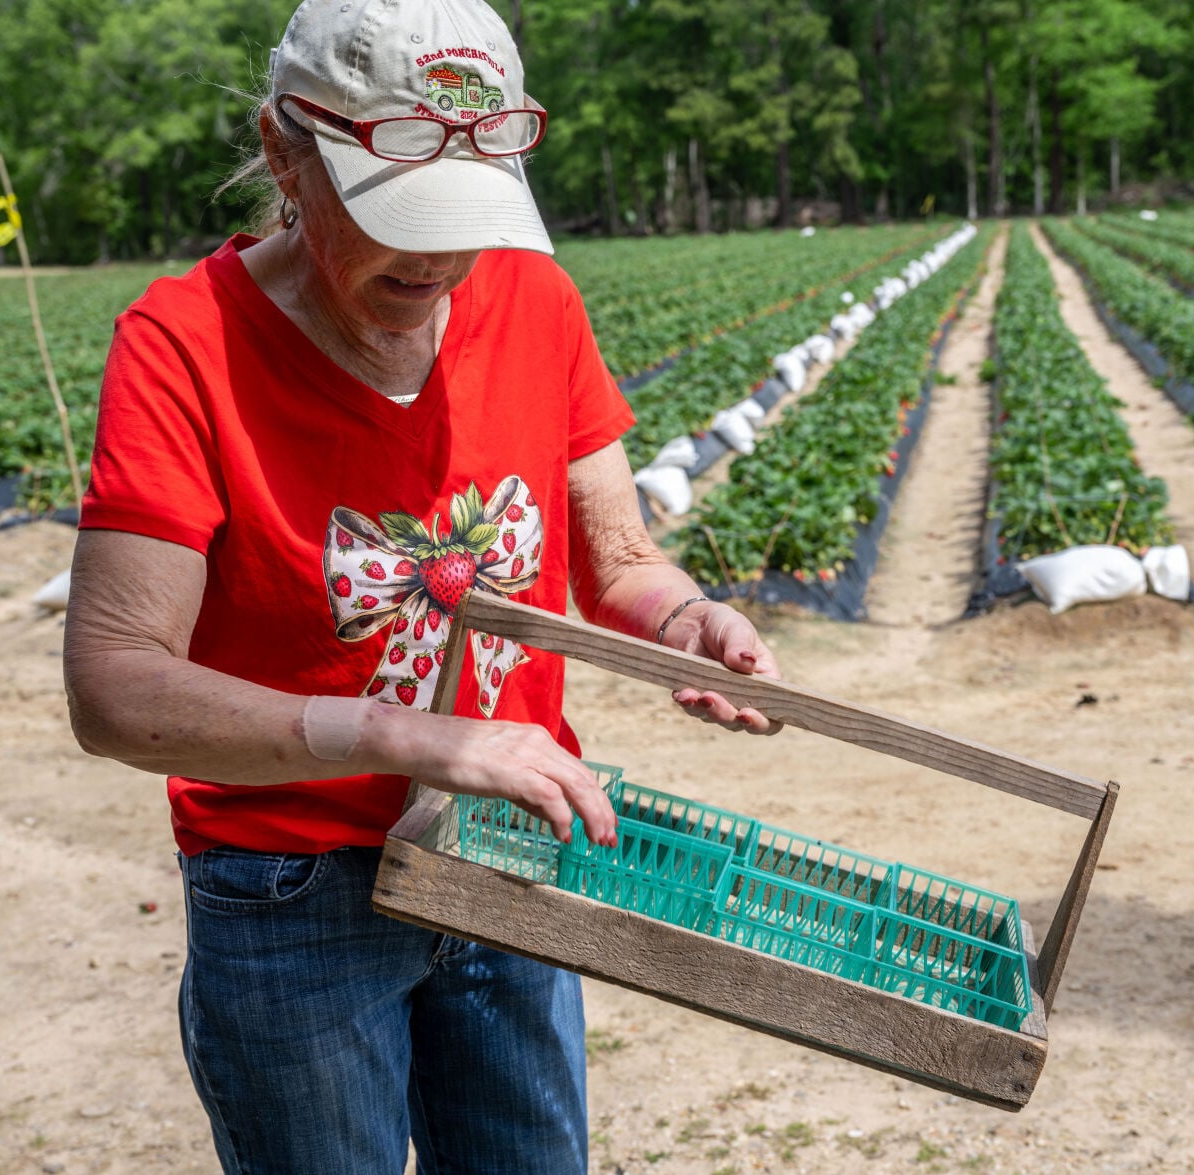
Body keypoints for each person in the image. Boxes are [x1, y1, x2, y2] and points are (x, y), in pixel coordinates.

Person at [60, 0, 780, 1170]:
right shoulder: (184, 343)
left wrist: (686, 620)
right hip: (295, 887)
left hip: (509, 843)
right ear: (286, 151)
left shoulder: (536, 304)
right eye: (401, 215)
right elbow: (114, 686)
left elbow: (618, 561)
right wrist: (413, 735)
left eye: (469, 217)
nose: (441, 258)